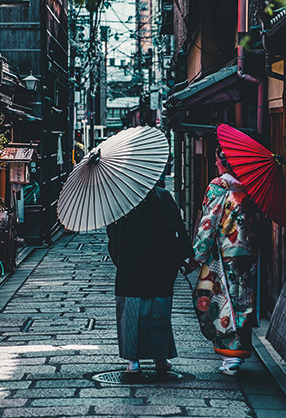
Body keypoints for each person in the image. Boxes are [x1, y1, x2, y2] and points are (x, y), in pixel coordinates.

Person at [107, 181, 194, 374]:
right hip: (160, 265)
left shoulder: (120, 200)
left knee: (130, 314)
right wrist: (182, 258)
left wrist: (120, 261)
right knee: (159, 313)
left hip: (130, 267)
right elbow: (176, 230)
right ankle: (160, 359)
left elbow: (113, 236)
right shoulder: (162, 197)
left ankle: (133, 361)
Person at [188, 146, 259, 376]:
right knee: (242, 301)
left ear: (225, 162)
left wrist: (198, 252)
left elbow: (209, 220)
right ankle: (235, 354)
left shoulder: (220, 185)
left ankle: (229, 356)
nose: (216, 163)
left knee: (216, 298)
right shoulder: (248, 187)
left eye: (219, 159)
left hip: (224, 253)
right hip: (247, 252)